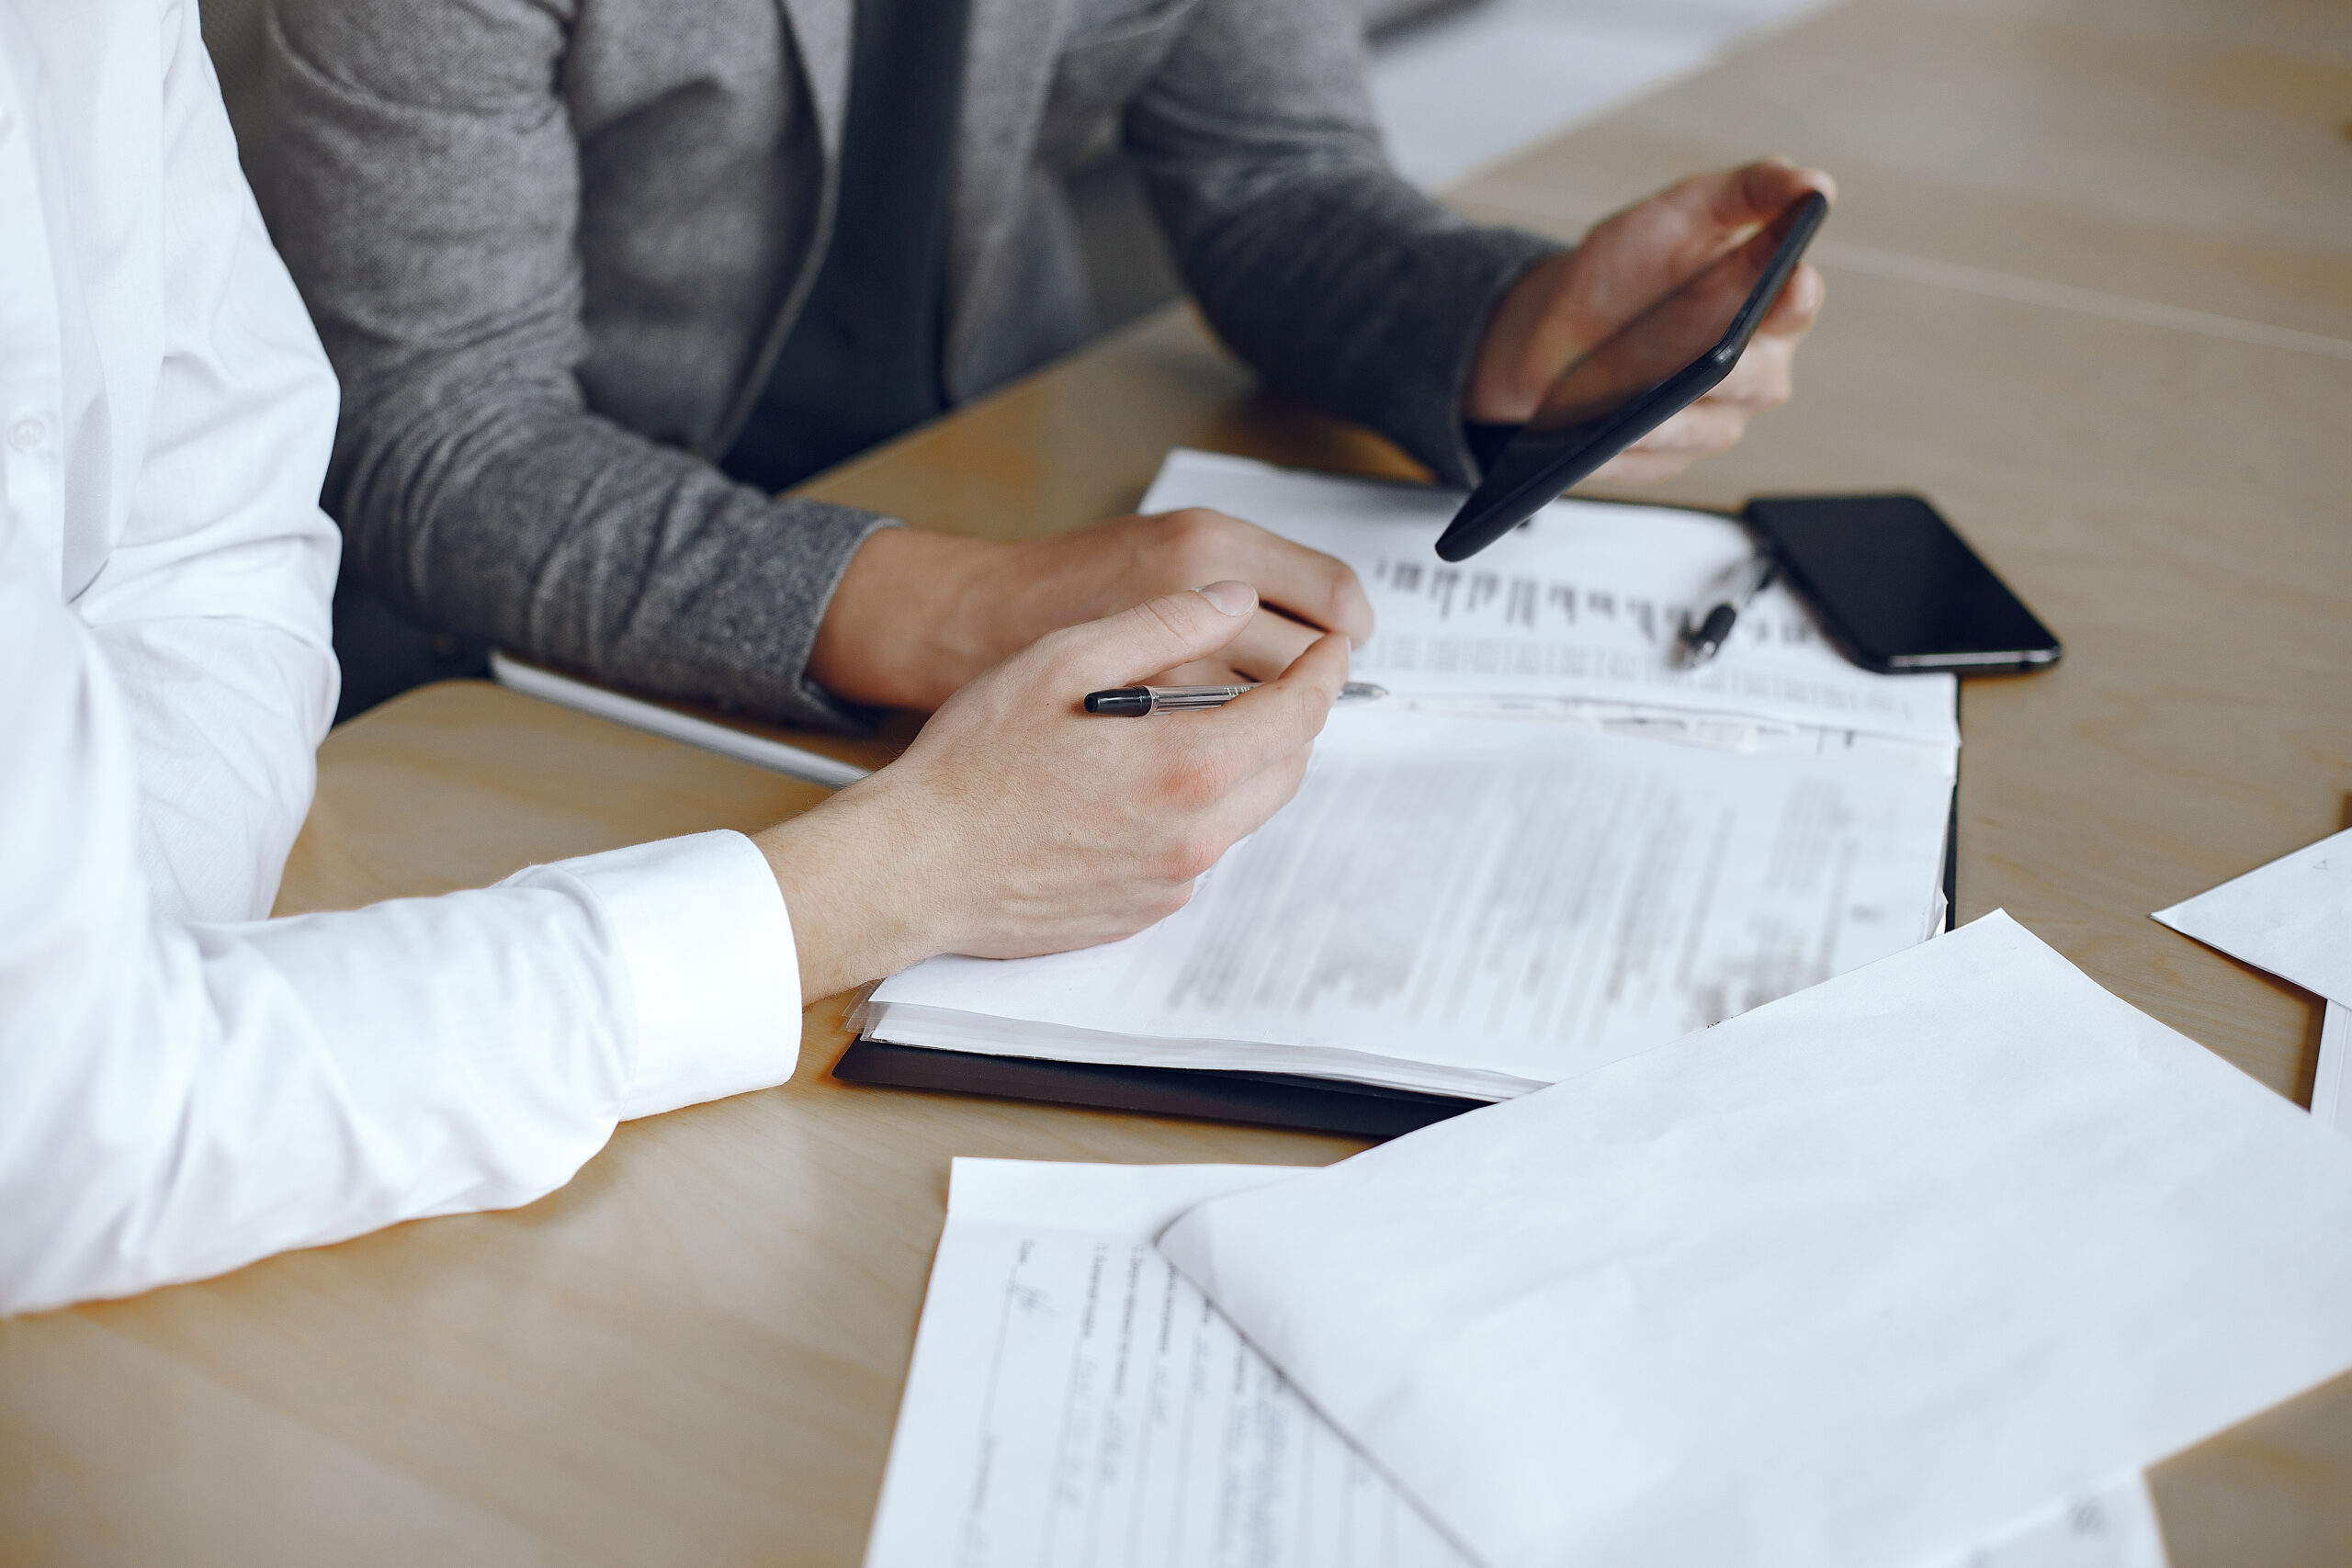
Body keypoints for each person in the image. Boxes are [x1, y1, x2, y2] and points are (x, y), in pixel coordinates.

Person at [0, 0, 1345, 1315]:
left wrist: (125, 934)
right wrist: (889, 873)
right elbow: (73, 1116)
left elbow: (210, 536)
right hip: (523, 701)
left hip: (295, 946)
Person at [245, 0, 1829, 721]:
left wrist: (1514, 328)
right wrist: (955, 609)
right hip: (527, 657)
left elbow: (1274, 175)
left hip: (1009, 478)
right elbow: (436, 434)